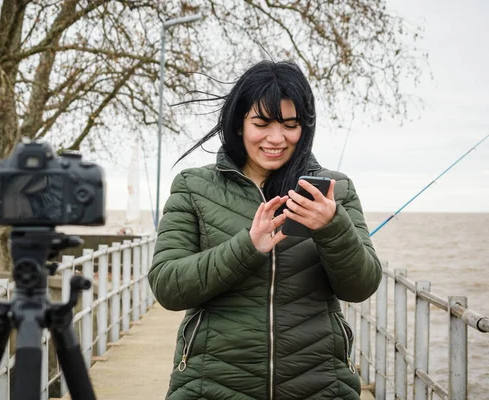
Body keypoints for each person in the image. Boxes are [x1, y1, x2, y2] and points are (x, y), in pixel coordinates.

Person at [148, 60, 382, 400]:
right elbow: (168, 285)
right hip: (210, 386)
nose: (277, 138)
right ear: (239, 123)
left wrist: (332, 227)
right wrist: (247, 248)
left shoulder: (336, 190)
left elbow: (361, 286)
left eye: (290, 125)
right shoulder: (193, 187)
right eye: (262, 123)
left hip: (320, 386)